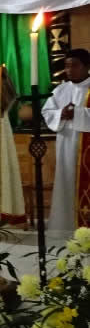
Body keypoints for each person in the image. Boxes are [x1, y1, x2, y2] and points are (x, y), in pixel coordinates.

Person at [43, 48, 90, 236]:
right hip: (66, 146)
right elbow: (47, 111)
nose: (69, 70)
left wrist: (77, 113)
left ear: (86, 66)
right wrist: (60, 114)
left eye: (75, 65)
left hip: (87, 148)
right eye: (67, 66)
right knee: (67, 183)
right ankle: (66, 227)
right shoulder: (60, 90)